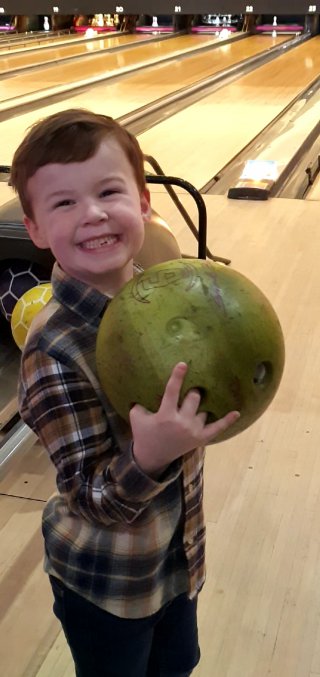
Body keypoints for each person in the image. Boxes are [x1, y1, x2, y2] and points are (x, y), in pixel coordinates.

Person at [10, 108, 239, 677]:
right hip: (106, 585)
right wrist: (151, 455)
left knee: (178, 663)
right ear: (34, 229)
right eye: (63, 203)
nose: (92, 214)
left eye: (109, 191)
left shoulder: (164, 300)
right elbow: (90, 497)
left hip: (175, 557)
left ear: (143, 203)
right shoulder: (54, 352)